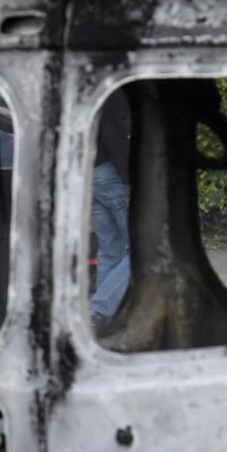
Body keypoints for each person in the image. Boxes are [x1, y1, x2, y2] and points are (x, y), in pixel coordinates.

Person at [89, 89, 132, 327]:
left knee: (109, 249)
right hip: (111, 174)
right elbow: (115, 134)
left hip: (88, 169)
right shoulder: (116, 90)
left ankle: (105, 319)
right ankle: (100, 308)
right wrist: (129, 180)